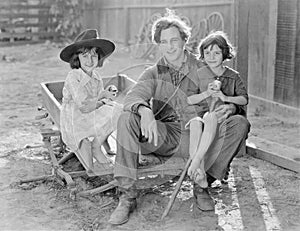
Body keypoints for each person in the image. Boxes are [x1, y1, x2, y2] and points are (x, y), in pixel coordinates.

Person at [108, 10, 250, 225]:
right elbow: (133, 96)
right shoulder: (154, 72)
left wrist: (230, 108)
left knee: (239, 123)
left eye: (174, 40)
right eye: (164, 42)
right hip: (165, 136)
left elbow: (228, 95)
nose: (170, 46)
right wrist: (144, 110)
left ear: (185, 40)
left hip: (199, 136)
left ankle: (202, 184)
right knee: (126, 118)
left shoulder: (204, 67)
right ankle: (127, 195)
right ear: (159, 45)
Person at [185, 31, 248, 188]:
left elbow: (244, 99)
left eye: (216, 53)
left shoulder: (233, 76)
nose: (211, 57)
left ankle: (211, 174)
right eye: (207, 53)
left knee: (241, 123)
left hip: (222, 122)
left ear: (224, 54)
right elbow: (189, 98)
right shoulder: (198, 74)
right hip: (200, 121)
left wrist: (225, 98)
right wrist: (207, 93)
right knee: (202, 121)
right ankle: (198, 169)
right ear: (202, 54)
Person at [59, 29, 122, 165]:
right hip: (75, 120)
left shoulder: (96, 77)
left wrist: (107, 95)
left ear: (99, 58)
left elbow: (99, 98)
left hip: (89, 115)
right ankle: (94, 147)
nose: (90, 60)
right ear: (77, 58)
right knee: (113, 110)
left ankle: (96, 145)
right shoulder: (74, 76)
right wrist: (103, 97)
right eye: (85, 56)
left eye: (94, 56)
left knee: (119, 110)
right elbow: (84, 106)